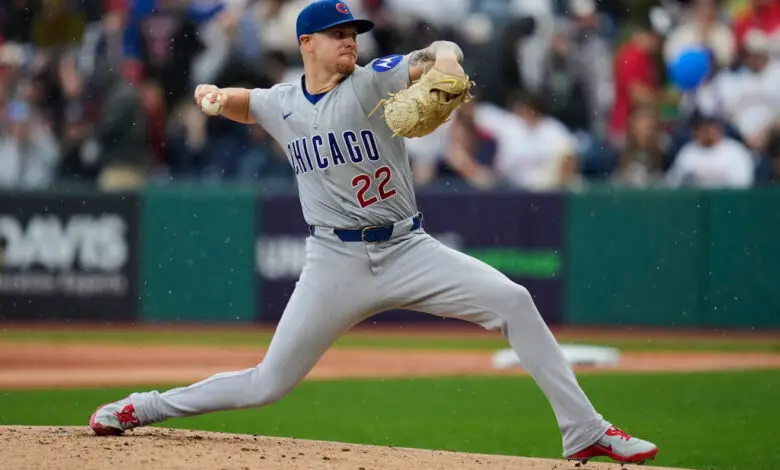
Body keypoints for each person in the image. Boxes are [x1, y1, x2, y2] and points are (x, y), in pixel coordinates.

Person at [88, 0, 659, 465]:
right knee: (267, 384)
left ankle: (584, 431)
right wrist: (213, 98)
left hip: (408, 248)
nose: (350, 41)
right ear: (306, 43)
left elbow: (438, 53)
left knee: (514, 300)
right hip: (333, 261)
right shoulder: (282, 102)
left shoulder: (372, 81)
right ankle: (146, 406)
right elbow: (246, 103)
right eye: (337, 34)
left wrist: (448, 60)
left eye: (353, 33)